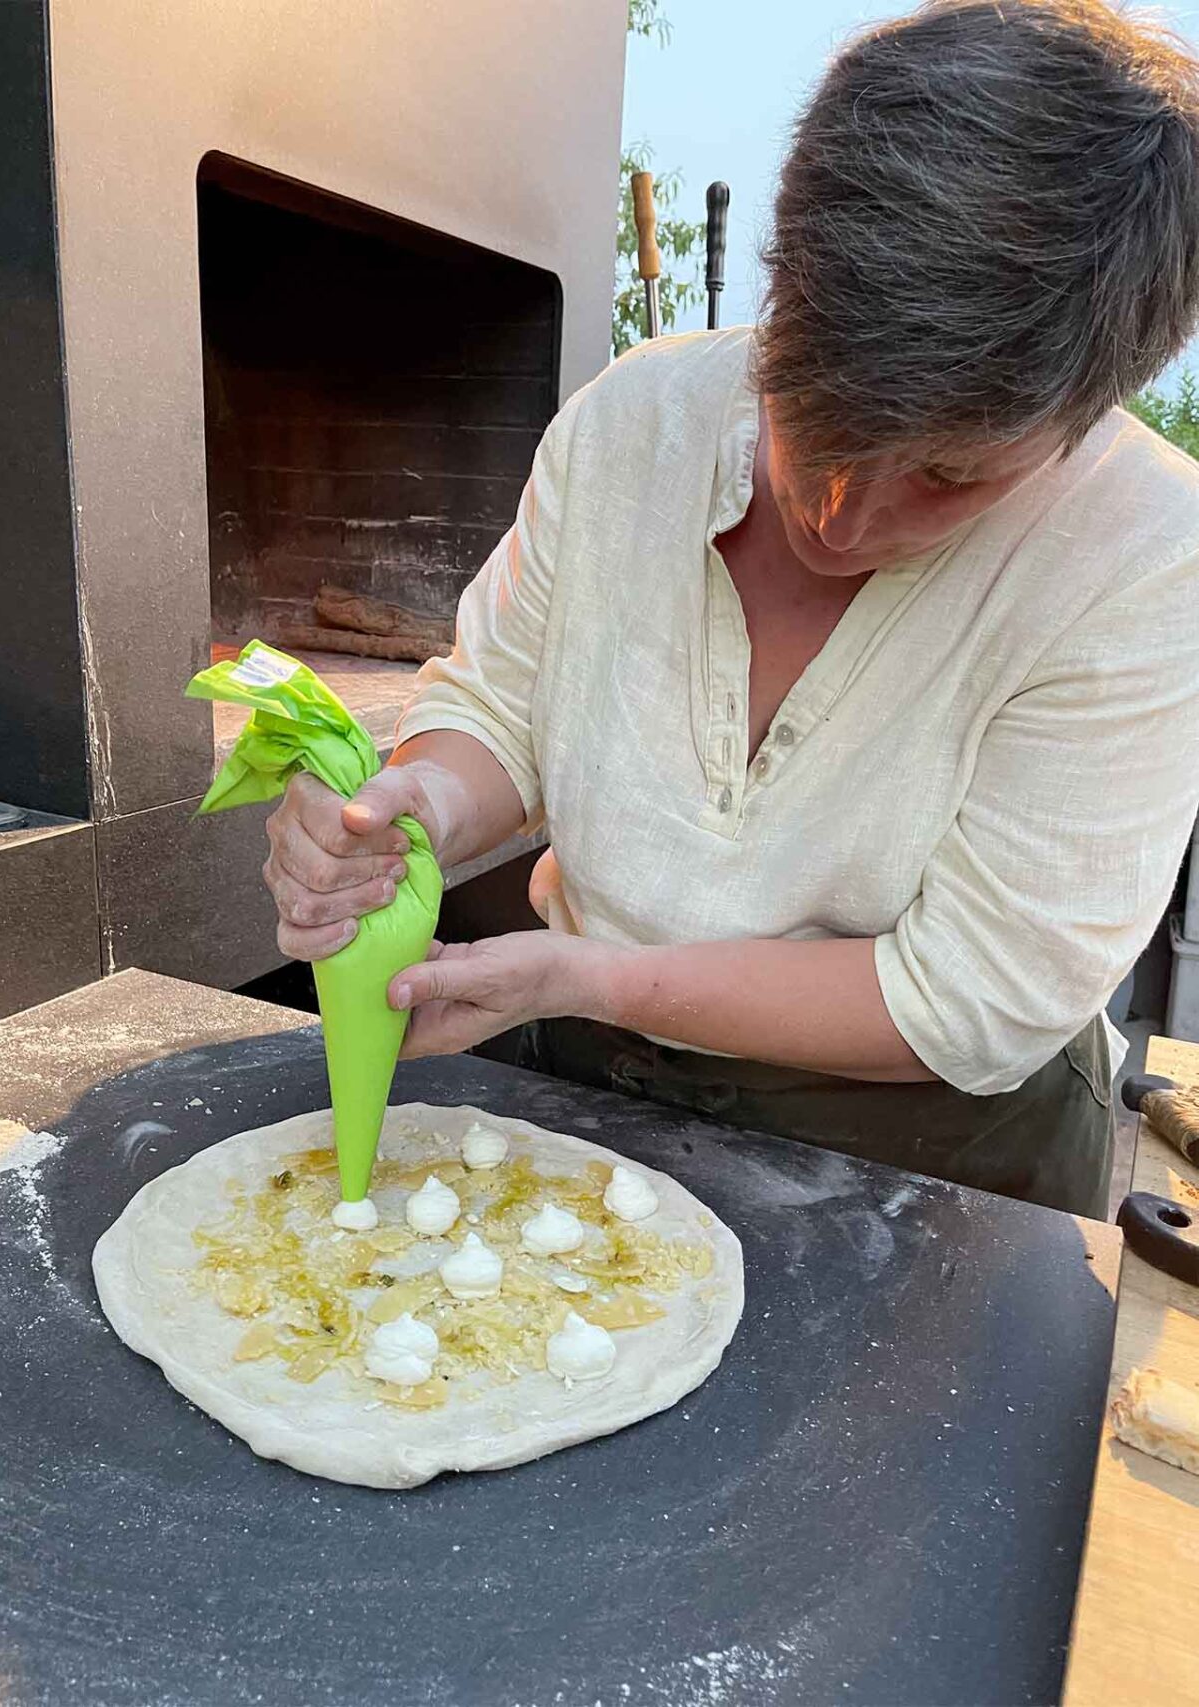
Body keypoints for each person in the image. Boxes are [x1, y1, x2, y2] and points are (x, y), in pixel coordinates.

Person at [263, 0, 1199, 1219]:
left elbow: (967, 997)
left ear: (1079, 420)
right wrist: (416, 806)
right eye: (810, 413)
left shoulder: (1147, 552)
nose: (843, 516)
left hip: (935, 1159)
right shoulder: (631, 421)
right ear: (781, 281)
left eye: (947, 477)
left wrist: (593, 978)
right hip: (595, 1076)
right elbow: (500, 704)